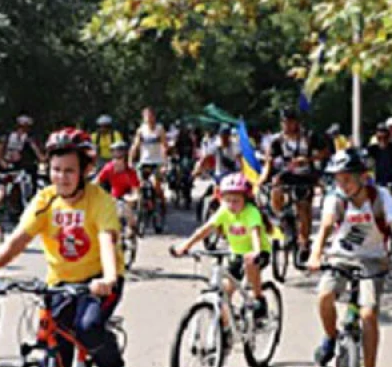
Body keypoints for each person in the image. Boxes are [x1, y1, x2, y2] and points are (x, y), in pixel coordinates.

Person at [0, 128, 127, 367]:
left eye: (69, 171)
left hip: (98, 280)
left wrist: (108, 278)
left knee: (88, 329)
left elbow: (106, 240)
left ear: (84, 171)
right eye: (56, 170)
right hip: (60, 283)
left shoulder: (99, 201)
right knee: (55, 355)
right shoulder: (45, 200)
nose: (61, 177)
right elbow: (19, 238)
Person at [308, 149, 392, 367]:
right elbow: (325, 229)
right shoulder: (335, 198)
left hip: (372, 260)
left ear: (363, 177)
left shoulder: (381, 197)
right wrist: (315, 256)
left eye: (347, 178)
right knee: (324, 295)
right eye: (338, 179)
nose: (342, 184)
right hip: (340, 257)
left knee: (368, 315)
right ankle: (330, 337)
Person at [173, 173, 272, 319]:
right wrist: (186, 245)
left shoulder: (251, 213)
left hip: (257, 252)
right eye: (227, 200)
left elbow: (255, 234)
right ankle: (225, 326)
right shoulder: (224, 211)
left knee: (250, 264)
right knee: (225, 291)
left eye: (236, 201)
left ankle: (259, 298)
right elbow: (205, 229)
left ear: (245, 199)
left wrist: (256, 251)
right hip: (236, 252)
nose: (231, 205)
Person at [259, 109, 320, 254]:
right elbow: (269, 161)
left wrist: (308, 159)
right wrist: (262, 179)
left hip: (306, 176)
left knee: (303, 206)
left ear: (296, 122)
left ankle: (304, 242)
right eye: (284, 122)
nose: (287, 125)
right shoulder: (277, 140)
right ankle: (284, 220)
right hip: (286, 175)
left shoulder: (309, 137)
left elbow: (325, 152)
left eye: (290, 122)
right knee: (275, 189)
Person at [96, 140, 141, 237]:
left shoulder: (130, 171)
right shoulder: (108, 168)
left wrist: (133, 197)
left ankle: (132, 226)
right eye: (115, 155)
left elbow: (136, 189)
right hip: (115, 194)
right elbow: (97, 181)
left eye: (120, 155)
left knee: (127, 208)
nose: (117, 159)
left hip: (128, 194)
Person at [130, 106, 168, 215]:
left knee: (156, 185)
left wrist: (165, 164)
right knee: (138, 184)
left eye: (150, 116)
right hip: (144, 161)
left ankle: (162, 202)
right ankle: (140, 206)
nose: (148, 118)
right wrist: (130, 161)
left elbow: (164, 146)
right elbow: (135, 146)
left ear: (154, 117)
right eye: (146, 116)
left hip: (157, 161)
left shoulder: (159, 129)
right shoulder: (141, 130)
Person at [365, 123, 392, 201]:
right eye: (380, 137)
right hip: (379, 181)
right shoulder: (372, 149)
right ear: (376, 137)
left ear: (389, 137)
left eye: (385, 137)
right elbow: (368, 165)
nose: (383, 140)